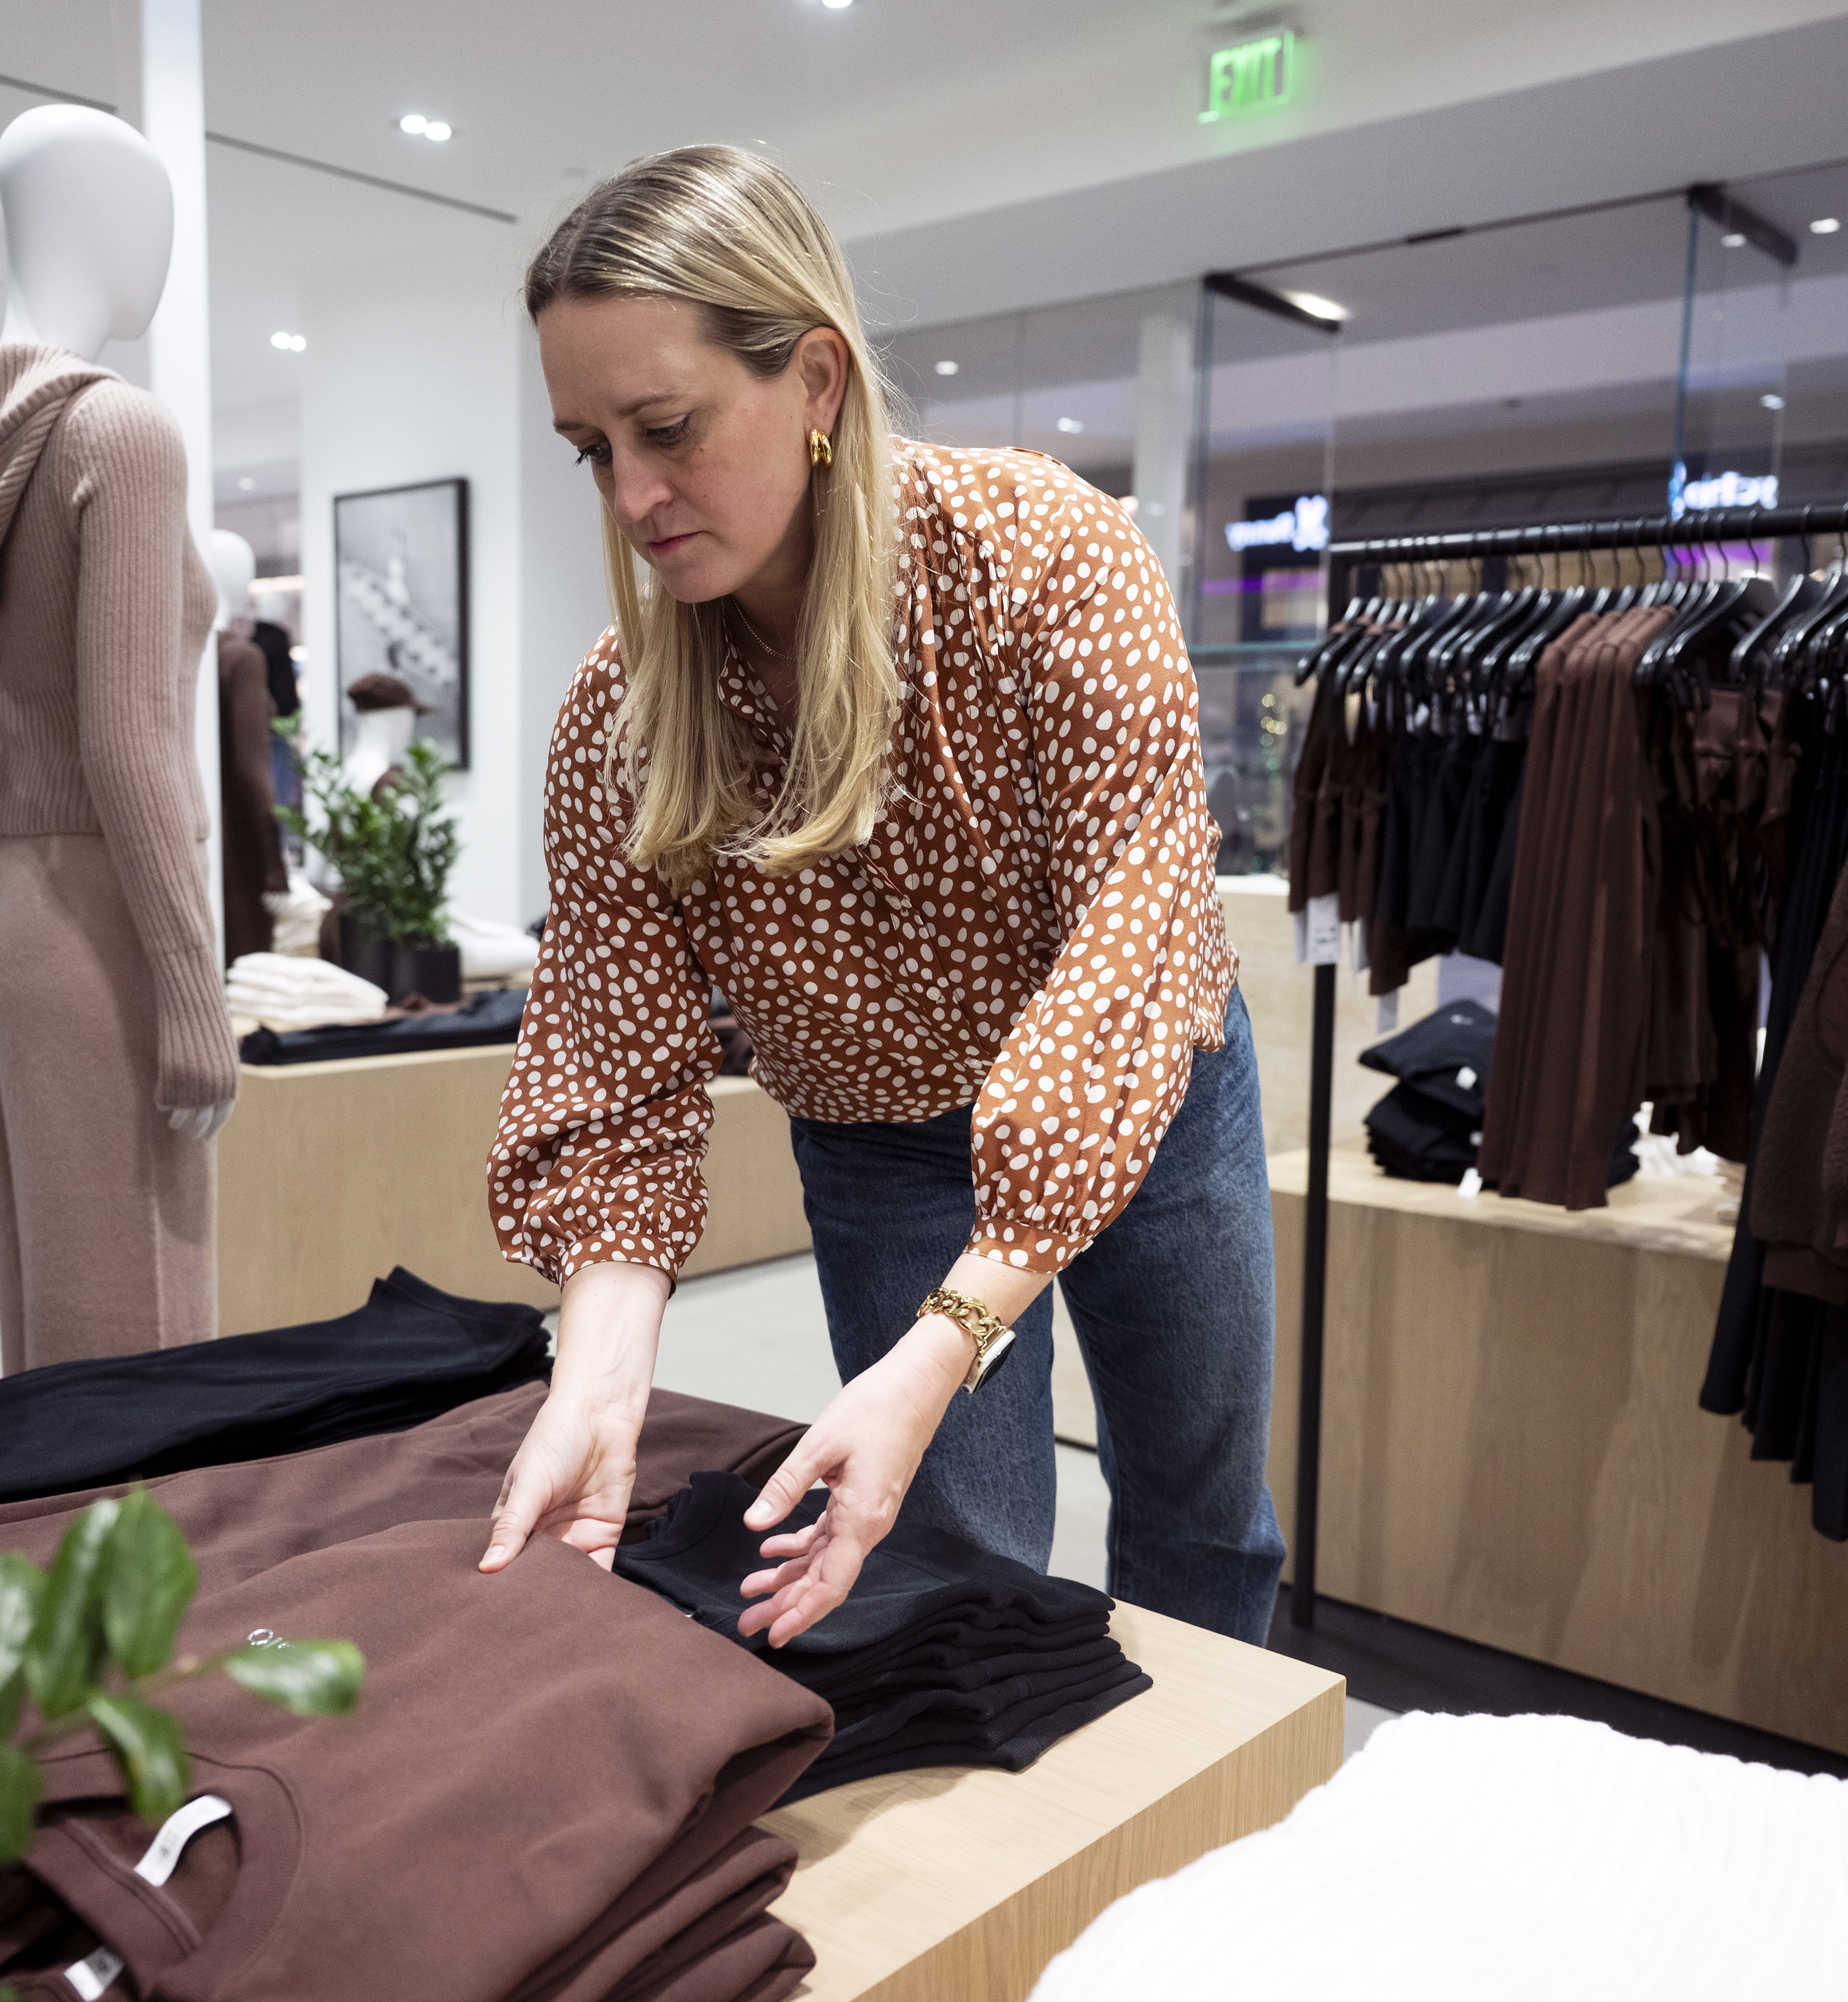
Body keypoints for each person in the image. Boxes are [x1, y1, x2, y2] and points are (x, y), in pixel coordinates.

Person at [479, 146, 1285, 1651]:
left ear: (817, 381)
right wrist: (596, 1377)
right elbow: (612, 1053)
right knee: (948, 1553)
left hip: (1148, 1095)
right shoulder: (625, 713)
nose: (635, 496)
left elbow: (1132, 925)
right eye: (591, 448)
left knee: (1196, 1508)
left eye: (667, 427)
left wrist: (947, 1338)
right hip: (879, 1140)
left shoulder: (1046, 562)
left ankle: (1216, 1851)